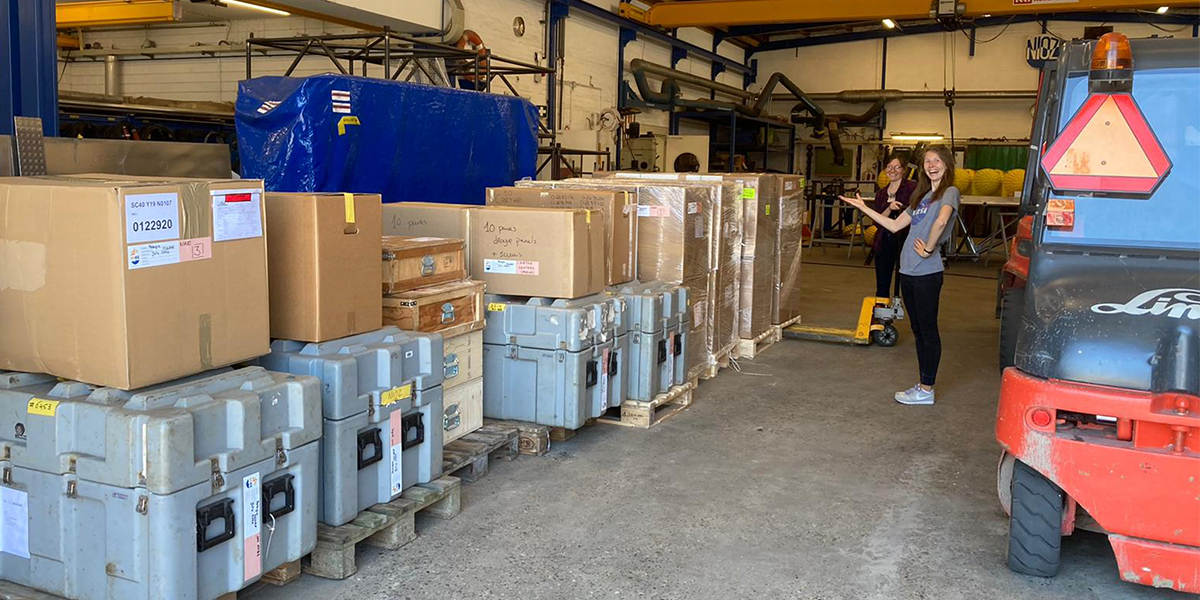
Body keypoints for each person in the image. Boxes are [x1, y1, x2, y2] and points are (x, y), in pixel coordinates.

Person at [839, 145, 960, 405]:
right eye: (927, 161)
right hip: (908, 271)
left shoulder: (949, 192)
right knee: (918, 330)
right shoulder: (922, 197)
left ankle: (926, 389)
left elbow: (942, 221)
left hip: (927, 273)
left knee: (927, 330)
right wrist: (864, 207)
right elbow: (893, 225)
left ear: (947, 164)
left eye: (937, 161)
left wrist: (929, 248)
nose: (931, 165)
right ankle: (923, 385)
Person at [871, 155, 916, 298]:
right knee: (882, 283)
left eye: (897, 167)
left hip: (906, 240)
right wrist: (889, 208)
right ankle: (882, 308)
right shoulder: (881, 194)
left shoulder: (912, 188)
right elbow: (877, 221)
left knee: (908, 282)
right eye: (889, 167)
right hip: (884, 240)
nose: (893, 170)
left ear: (903, 170)